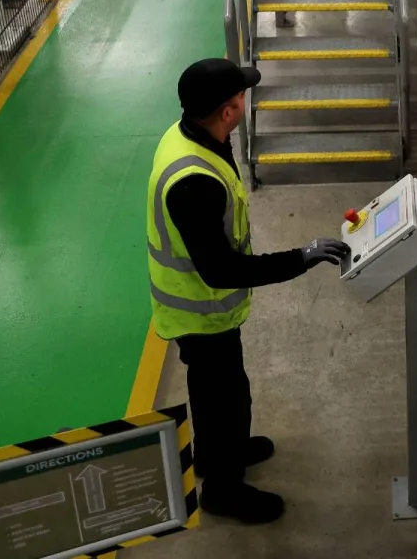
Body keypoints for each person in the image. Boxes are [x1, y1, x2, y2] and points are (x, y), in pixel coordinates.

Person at [147, 58, 350, 524]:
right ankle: (222, 488)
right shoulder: (193, 182)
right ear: (226, 111)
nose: (246, 100)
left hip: (206, 306)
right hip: (199, 309)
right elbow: (221, 270)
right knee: (225, 398)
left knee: (221, 390)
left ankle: (221, 453)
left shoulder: (191, 134)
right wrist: (300, 259)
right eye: (240, 96)